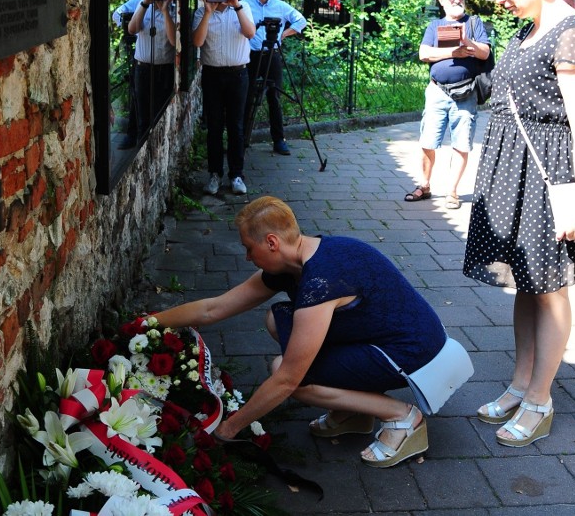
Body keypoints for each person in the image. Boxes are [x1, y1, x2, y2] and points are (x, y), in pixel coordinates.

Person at [152, 196, 447, 467]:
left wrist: (226, 430)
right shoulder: (297, 260)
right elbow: (213, 309)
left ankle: (403, 416)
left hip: (410, 349)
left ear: (271, 242)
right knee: (275, 319)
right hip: (381, 333)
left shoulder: (321, 280)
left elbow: (288, 380)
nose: (246, 257)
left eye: (248, 248)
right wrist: (149, 322)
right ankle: (355, 412)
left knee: (292, 374)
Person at [462, 0, 575, 447]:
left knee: (551, 286)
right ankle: (520, 383)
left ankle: (540, 398)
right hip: (511, 171)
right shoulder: (529, 29)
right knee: (526, 283)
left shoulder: (572, 32)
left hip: (550, 174)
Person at [405, 0, 491, 209]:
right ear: (441, 1)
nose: (456, 0)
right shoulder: (435, 26)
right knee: (427, 141)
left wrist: (467, 43)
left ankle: (452, 191)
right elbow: (424, 54)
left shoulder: (474, 23)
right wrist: (454, 52)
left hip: (466, 93)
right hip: (437, 91)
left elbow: (485, 52)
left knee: (461, 143)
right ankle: (424, 185)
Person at [193, 0, 256, 196]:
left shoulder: (243, 7)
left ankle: (237, 174)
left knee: (236, 127)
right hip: (212, 75)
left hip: (238, 75)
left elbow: (250, 33)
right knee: (214, 127)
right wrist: (209, 11)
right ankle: (214, 174)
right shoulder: (201, 13)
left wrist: (236, 6)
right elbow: (197, 42)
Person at [241, 0, 307, 155]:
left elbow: (300, 21)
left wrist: (283, 34)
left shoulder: (280, 5)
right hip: (252, 56)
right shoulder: (244, 4)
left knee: (274, 98)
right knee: (246, 98)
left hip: (272, 55)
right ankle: (242, 140)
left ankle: (278, 140)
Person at [123, 0, 177, 146]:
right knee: (143, 117)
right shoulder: (142, 4)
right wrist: (146, 3)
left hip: (164, 70)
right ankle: (140, 148)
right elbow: (132, 29)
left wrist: (165, 11)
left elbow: (173, 41)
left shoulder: (174, 9)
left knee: (160, 117)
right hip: (143, 69)